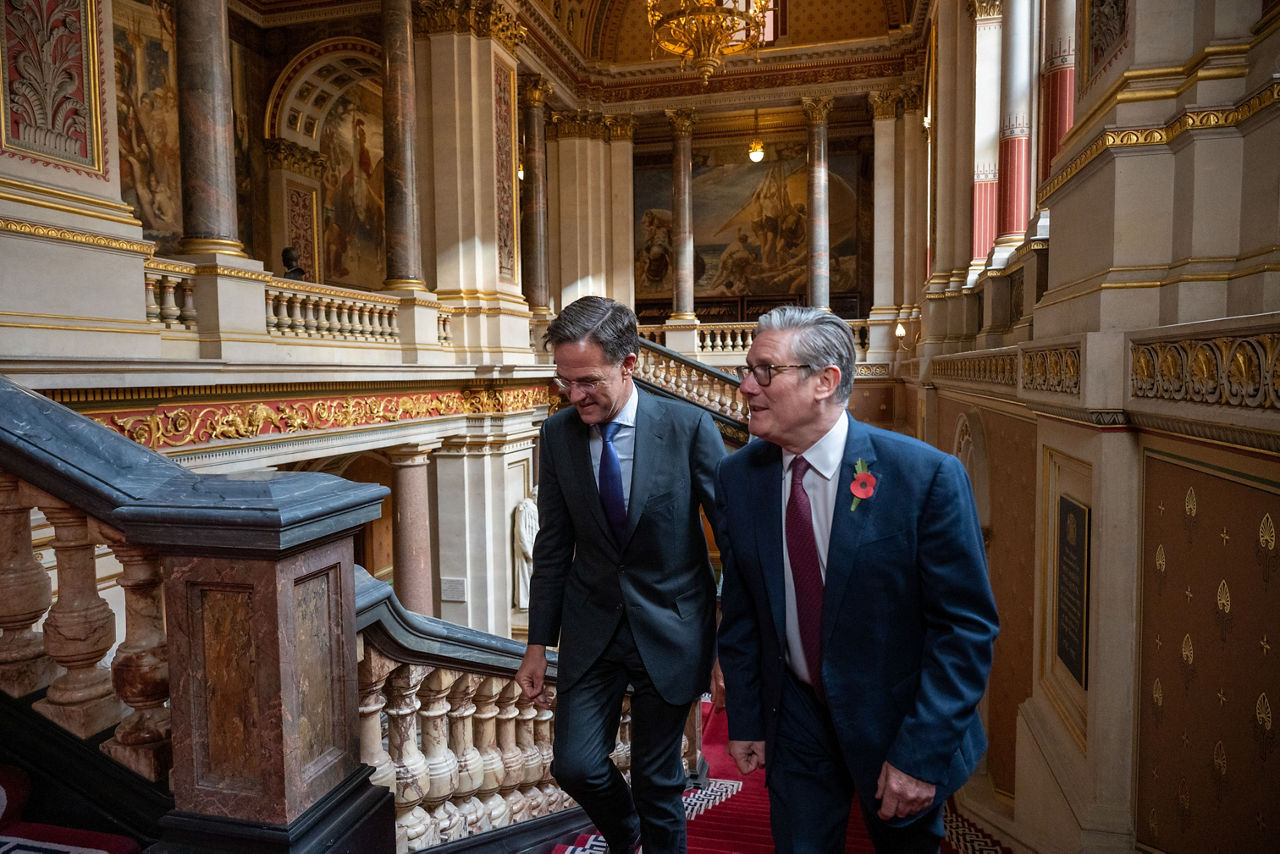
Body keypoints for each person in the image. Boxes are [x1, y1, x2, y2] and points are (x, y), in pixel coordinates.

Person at [715, 306, 999, 853]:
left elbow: (964, 631)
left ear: (825, 381)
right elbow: (744, 607)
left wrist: (918, 756)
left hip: (897, 721)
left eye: (765, 371)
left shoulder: (925, 477)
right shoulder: (739, 476)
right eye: (747, 369)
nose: (746, 386)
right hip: (795, 718)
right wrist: (747, 717)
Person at [515, 296, 725, 854]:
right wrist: (538, 643)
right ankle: (627, 835)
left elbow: (732, 541)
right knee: (576, 765)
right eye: (564, 382)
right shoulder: (557, 435)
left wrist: (728, 643)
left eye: (588, 381)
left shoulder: (688, 427)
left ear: (629, 363)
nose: (574, 395)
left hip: (672, 626)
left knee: (660, 781)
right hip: (592, 629)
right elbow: (554, 545)